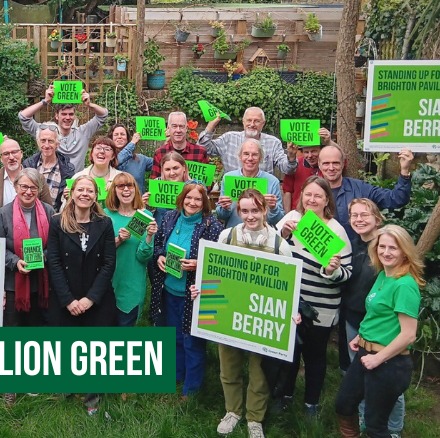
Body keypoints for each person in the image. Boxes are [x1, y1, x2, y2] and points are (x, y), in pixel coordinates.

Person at [213, 189, 293, 438]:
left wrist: (290, 312)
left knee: (259, 370)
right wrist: (203, 291)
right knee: (229, 365)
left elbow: (289, 285)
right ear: (238, 212)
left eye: (255, 210)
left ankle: (255, 418)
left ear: (265, 211)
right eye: (245, 211)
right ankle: (233, 411)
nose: (250, 216)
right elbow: (214, 271)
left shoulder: (280, 244)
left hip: (260, 318)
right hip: (229, 312)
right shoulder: (227, 236)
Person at [335, 225, 424, 438]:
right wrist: (361, 335)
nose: (386, 252)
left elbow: (408, 334)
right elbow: (377, 312)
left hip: (389, 363)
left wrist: (378, 359)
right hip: (366, 352)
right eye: (382, 246)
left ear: (404, 251)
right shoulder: (384, 275)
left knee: (375, 426)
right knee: (344, 404)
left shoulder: (404, 285)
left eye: (393, 248)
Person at [275, 176, 352, 417]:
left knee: (315, 356)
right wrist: (284, 236)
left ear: (327, 199)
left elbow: (347, 273)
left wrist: (331, 270)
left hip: (321, 306)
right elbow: (272, 253)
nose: (312, 199)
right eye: (308, 194)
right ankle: (285, 395)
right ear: (301, 196)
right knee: (289, 354)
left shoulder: (336, 230)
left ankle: (311, 403)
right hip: (290, 302)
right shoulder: (290, 219)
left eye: (318, 196)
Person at [46, 175, 116, 414]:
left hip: (96, 296)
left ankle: (92, 398)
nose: (85, 194)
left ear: (96, 196)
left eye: (90, 191)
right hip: (66, 295)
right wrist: (68, 299)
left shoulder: (104, 223)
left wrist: (90, 298)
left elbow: (108, 263)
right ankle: (65, 389)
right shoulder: (57, 222)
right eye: (80, 190)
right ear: (72, 193)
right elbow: (53, 261)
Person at [149, 181, 224, 398]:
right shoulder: (171, 218)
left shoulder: (212, 226)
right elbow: (159, 245)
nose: (192, 202)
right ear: (182, 198)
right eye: (188, 198)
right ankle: (177, 374)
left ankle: (191, 390)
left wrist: (199, 264)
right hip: (169, 289)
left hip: (194, 294)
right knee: (174, 336)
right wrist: (160, 256)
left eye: (198, 199)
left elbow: (219, 261)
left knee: (193, 342)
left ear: (205, 203)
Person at [0, 168, 56, 405]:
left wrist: (42, 257)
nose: (28, 191)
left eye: (33, 187)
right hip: (12, 284)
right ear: (16, 187)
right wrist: (15, 262)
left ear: (39, 190)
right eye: (24, 187)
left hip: (40, 282)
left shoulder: (48, 212)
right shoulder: (3, 214)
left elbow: (54, 246)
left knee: (34, 331)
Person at [340, 199, 405, 435]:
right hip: (354, 320)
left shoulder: (388, 248)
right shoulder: (350, 245)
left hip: (385, 327)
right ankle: (366, 420)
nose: (359, 219)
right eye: (354, 215)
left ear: (378, 218)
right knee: (360, 378)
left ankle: (394, 429)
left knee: (389, 383)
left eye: (365, 215)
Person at [318, 144, 413, 240]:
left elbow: (397, 199)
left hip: (358, 252)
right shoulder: (312, 191)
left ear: (343, 164)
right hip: (325, 253)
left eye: (336, 163)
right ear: (319, 165)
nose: (331, 168)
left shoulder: (360, 188)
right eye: (326, 163)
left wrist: (404, 171)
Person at [103, 172, 157, 327]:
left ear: (135, 189)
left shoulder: (144, 216)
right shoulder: (105, 216)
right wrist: (119, 240)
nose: (126, 189)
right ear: (114, 190)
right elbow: (99, 253)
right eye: (120, 186)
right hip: (108, 281)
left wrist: (149, 237)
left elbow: (143, 257)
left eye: (130, 185)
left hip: (132, 282)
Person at [19, 85, 109, 170]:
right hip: (52, 181)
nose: (67, 118)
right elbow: (24, 117)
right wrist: (45, 101)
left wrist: (89, 104)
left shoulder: (83, 132)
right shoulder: (46, 132)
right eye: (64, 114)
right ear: (56, 116)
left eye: (71, 114)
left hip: (75, 184)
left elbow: (103, 115)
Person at [197, 106, 305, 174]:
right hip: (234, 196)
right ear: (243, 121)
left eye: (257, 121)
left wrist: (291, 156)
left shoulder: (273, 143)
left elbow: (288, 169)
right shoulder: (229, 138)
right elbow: (202, 149)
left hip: (261, 197)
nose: (252, 124)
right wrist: (210, 127)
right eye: (249, 120)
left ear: (263, 124)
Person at [216, 139, 284, 229]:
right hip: (234, 233)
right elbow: (221, 216)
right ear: (240, 156)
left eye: (255, 154)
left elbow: (279, 220)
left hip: (262, 235)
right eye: (246, 154)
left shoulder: (272, 181)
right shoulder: (229, 178)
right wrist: (224, 208)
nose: (250, 158)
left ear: (260, 158)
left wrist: (273, 208)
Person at [22, 122, 76, 212]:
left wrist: (68, 196)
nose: (46, 145)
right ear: (38, 142)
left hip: (55, 219)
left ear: (58, 143)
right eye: (43, 140)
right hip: (31, 217)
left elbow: (71, 201)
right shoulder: (28, 165)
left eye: (50, 141)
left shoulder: (67, 169)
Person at [0, 139, 52, 207]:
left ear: (21, 153)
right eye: (6, 154)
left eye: (14, 152)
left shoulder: (38, 178)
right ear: (1, 158)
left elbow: (48, 209)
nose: (11, 157)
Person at [151, 112, 209, 180]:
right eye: (174, 126)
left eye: (181, 126)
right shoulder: (160, 153)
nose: (178, 130)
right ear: (168, 129)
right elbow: (154, 183)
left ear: (186, 128)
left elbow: (207, 185)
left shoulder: (200, 152)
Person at [145, 151, 189, 229]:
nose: (172, 173)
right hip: (160, 233)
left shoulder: (193, 186)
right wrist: (147, 206)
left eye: (176, 168)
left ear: (184, 168)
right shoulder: (157, 183)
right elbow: (147, 219)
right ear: (163, 171)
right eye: (167, 169)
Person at [109, 123, 153, 194]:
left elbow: (162, 163)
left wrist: (169, 141)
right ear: (111, 138)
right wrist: (132, 143)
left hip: (138, 203)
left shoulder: (141, 159)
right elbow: (117, 160)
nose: (119, 137)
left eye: (122, 134)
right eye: (116, 134)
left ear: (127, 138)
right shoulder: (107, 159)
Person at [282, 141, 325, 210]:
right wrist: (288, 215)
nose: (310, 156)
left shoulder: (328, 166)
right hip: (298, 211)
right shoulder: (295, 165)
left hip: (321, 212)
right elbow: (287, 191)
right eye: (306, 152)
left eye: (314, 151)